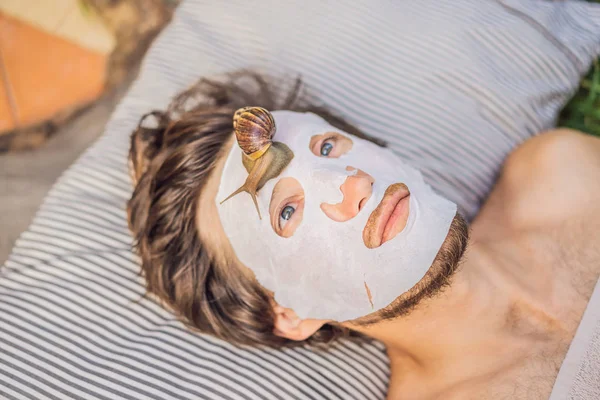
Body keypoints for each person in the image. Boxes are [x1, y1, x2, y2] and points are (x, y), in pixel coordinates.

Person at [127, 72, 600, 399]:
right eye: (287, 211)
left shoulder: (560, 173)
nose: (355, 183)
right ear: (291, 314)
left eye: (326, 146)